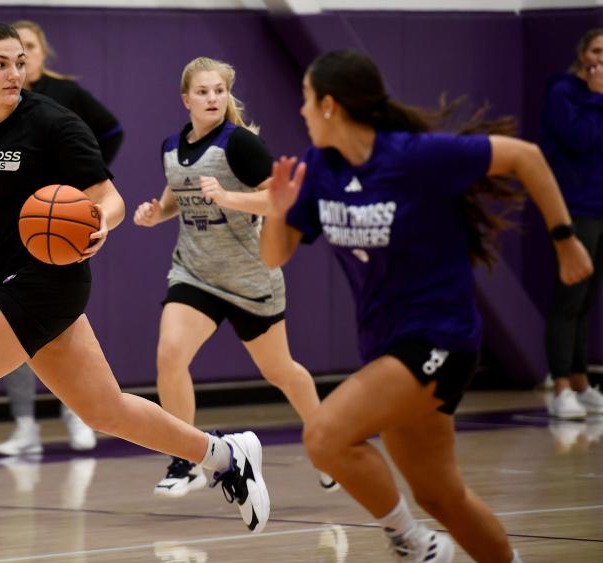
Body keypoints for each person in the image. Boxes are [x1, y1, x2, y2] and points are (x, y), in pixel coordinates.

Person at [0, 24, 269, 563]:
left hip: (52, 277)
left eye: (20, 62)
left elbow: (108, 197)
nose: (14, 73)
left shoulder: (52, 122)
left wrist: (101, 224)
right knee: (105, 410)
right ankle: (224, 455)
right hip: (6, 279)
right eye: (0, 64)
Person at [210, 49, 591, 562]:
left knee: (324, 436)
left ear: (330, 105)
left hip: (440, 337)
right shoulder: (319, 168)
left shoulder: (415, 155)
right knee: (440, 495)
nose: (299, 111)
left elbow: (527, 157)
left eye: (305, 100)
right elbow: (274, 256)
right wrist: (277, 212)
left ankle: (414, 545)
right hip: (386, 343)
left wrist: (565, 239)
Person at [133, 56, 331, 497]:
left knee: (281, 371)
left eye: (219, 91)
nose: (212, 98)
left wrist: (226, 197)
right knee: (170, 354)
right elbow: (175, 200)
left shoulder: (240, 145)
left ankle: (326, 441)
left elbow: (278, 203)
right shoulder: (171, 146)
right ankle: (184, 458)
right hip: (195, 272)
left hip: (251, 279)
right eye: (203, 92)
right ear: (186, 99)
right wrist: (154, 213)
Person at [0, 19, 126, 456]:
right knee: (12, 323)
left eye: (28, 47)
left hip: (59, 220)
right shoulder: (1, 102)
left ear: (41, 52)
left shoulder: (65, 95)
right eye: (14, 49)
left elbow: (112, 130)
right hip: (15, 221)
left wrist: (81, 176)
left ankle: (78, 412)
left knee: (56, 319)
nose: (22, 56)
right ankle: (26, 425)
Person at [541, 28, 603, 419]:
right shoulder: (563, 93)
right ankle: (560, 383)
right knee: (569, 298)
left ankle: (581, 382)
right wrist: (597, 97)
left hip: (601, 205)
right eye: (597, 50)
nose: (602, 60)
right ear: (582, 54)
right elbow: (579, 140)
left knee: (588, 300)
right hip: (574, 207)